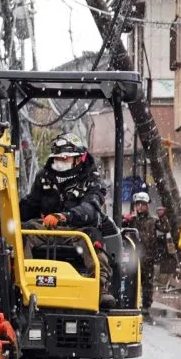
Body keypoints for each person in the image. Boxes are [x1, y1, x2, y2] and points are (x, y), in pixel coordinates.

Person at [19, 133, 116, 310]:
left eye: (65, 158)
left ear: (78, 159)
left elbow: (91, 209)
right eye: (57, 158)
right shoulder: (44, 177)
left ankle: (101, 287)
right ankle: (23, 284)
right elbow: (31, 205)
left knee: (93, 238)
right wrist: (7, 212)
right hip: (48, 229)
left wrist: (65, 216)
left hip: (77, 230)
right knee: (22, 234)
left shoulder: (91, 180)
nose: (60, 162)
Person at [122, 192, 160, 315]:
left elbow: (165, 228)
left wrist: (163, 217)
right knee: (132, 279)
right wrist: (124, 220)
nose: (140, 207)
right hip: (134, 255)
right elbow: (120, 228)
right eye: (138, 204)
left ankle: (146, 304)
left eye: (142, 204)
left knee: (147, 282)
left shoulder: (153, 220)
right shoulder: (132, 221)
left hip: (148, 256)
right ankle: (131, 301)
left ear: (147, 206)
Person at [154, 206, 175, 285]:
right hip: (164, 244)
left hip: (166, 244)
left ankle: (166, 281)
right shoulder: (161, 219)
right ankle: (165, 281)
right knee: (164, 261)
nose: (159, 212)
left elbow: (166, 229)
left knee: (167, 261)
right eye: (158, 210)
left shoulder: (164, 219)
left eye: (160, 210)